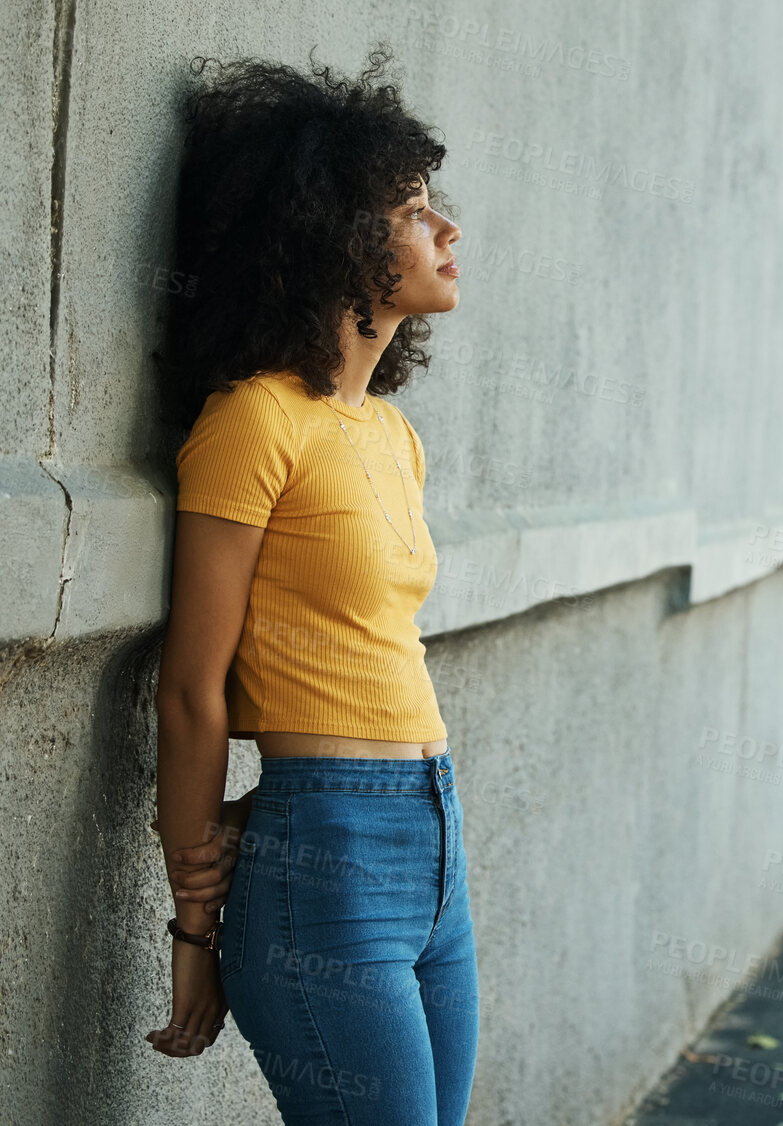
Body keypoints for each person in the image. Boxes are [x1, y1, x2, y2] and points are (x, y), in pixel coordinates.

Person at [145, 42, 476, 1124]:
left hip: (433, 844)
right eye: (413, 207)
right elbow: (191, 691)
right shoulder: (251, 421)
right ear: (334, 235)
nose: (446, 229)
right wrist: (194, 936)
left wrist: (269, 816)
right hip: (331, 876)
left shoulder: (388, 433)